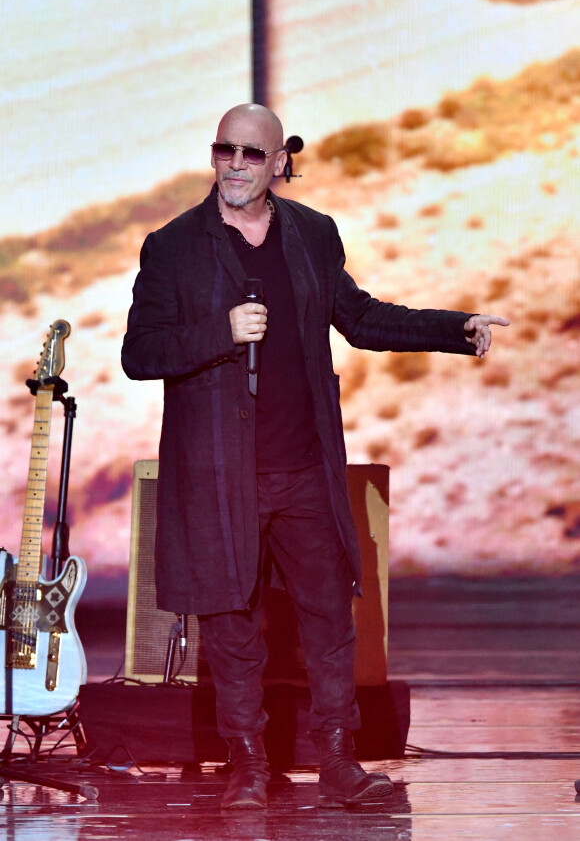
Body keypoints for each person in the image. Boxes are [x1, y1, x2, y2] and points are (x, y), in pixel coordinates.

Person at [121, 103, 509, 810]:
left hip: (304, 469)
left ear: (279, 162)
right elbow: (139, 354)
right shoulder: (172, 247)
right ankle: (247, 768)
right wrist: (220, 330)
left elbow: (361, 319)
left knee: (330, 618)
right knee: (233, 627)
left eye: (250, 154)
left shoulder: (310, 233)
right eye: (224, 151)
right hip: (219, 477)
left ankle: (337, 760)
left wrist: (458, 328)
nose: (234, 165)